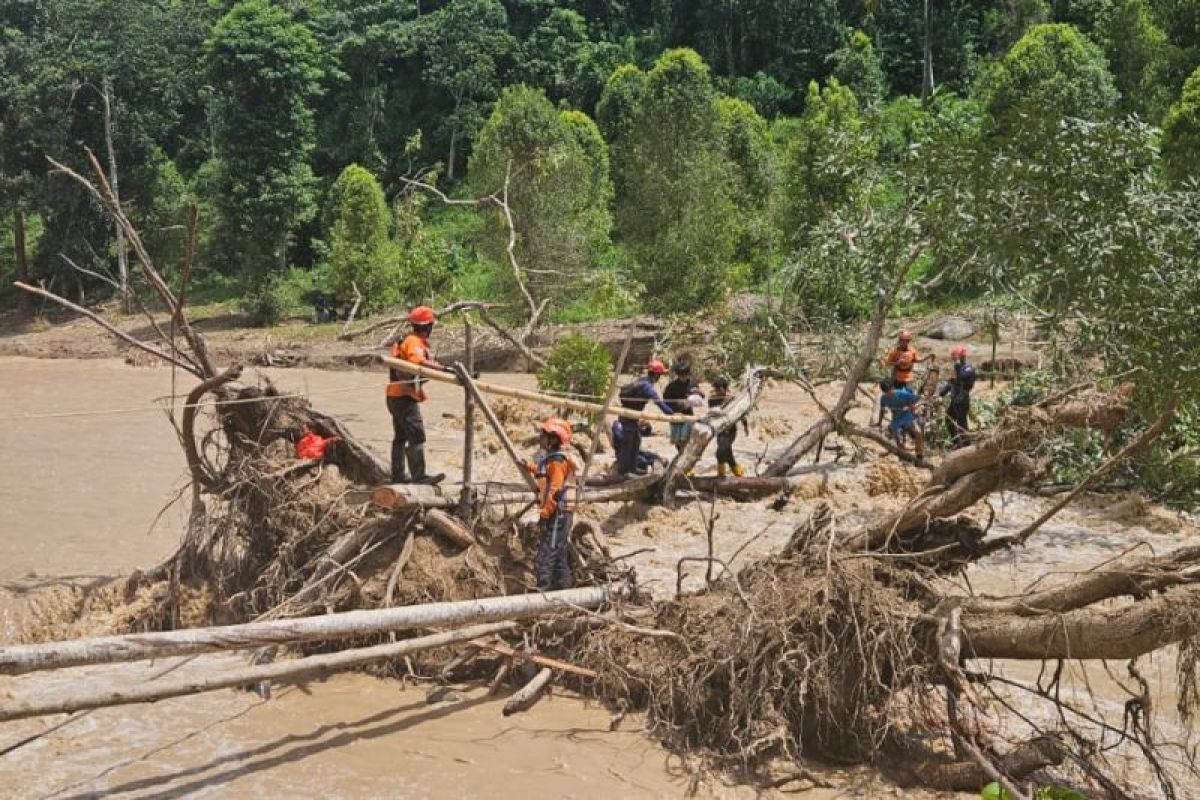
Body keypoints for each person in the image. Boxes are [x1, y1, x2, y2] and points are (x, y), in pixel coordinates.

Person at [386, 305, 448, 485]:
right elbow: (417, 362)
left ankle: (397, 475)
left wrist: (448, 369)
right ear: (428, 327)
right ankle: (419, 477)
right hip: (404, 397)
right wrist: (444, 368)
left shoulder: (409, 340)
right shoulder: (414, 342)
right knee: (416, 435)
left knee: (400, 436)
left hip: (394, 395)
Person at [526, 418, 578, 591]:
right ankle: (565, 590)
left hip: (558, 512)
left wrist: (545, 513)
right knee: (559, 552)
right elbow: (543, 473)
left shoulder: (557, 462)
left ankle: (542, 591)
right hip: (561, 512)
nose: (541, 438)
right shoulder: (553, 460)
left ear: (553, 439)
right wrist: (529, 466)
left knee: (547, 552)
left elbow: (554, 490)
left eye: (544, 436)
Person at [612, 359, 676, 476]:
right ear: (656, 375)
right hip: (629, 419)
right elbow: (660, 404)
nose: (660, 378)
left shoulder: (641, 381)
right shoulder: (647, 387)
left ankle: (631, 469)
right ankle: (625, 471)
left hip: (628, 417)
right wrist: (673, 415)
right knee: (629, 443)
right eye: (660, 375)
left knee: (636, 441)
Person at [876, 378, 926, 464]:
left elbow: (917, 399)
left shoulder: (903, 394)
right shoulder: (883, 398)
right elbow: (882, 410)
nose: (890, 393)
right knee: (898, 438)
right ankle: (902, 457)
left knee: (918, 432)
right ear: (884, 392)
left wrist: (910, 406)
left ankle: (919, 455)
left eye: (890, 390)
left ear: (892, 388)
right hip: (896, 419)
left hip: (907, 416)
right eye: (887, 392)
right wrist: (879, 422)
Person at [709, 375, 748, 477]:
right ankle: (735, 472)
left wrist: (745, 426)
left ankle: (724, 474)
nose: (717, 391)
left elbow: (741, 413)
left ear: (725, 388)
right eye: (716, 389)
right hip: (719, 430)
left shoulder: (733, 400)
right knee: (726, 451)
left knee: (721, 451)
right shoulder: (712, 400)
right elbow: (713, 414)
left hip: (730, 430)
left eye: (719, 389)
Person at [939, 345, 976, 448]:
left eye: (956, 358)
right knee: (948, 419)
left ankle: (966, 446)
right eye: (954, 359)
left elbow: (961, 377)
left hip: (962, 400)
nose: (954, 361)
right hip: (955, 399)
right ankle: (956, 442)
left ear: (962, 357)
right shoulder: (958, 368)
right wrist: (941, 394)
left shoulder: (969, 368)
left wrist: (957, 366)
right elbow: (951, 382)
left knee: (962, 425)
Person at [664, 358, 703, 453]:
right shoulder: (671, 386)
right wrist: (677, 404)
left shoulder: (692, 384)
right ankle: (680, 454)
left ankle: (684, 456)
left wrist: (698, 393)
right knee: (677, 440)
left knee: (686, 438)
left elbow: (701, 396)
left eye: (685, 375)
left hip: (688, 415)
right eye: (681, 375)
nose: (683, 377)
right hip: (675, 415)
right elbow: (666, 401)